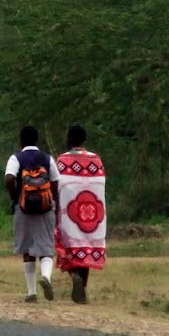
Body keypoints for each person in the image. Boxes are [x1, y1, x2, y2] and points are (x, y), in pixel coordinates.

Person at [5, 125, 60, 303]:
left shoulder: (16, 157)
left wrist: (14, 196)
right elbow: (56, 183)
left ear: (21, 141)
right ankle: (46, 277)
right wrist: (54, 204)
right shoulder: (47, 158)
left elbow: (9, 178)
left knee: (28, 249)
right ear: (37, 140)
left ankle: (31, 293)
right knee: (46, 247)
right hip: (45, 207)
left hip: (23, 207)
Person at [54, 124, 106, 304]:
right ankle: (82, 290)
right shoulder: (96, 160)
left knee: (67, 246)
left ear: (69, 139)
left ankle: (74, 274)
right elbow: (99, 187)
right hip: (92, 215)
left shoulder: (61, 160)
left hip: (69, 213)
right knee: (87, 247)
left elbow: (57, 187)